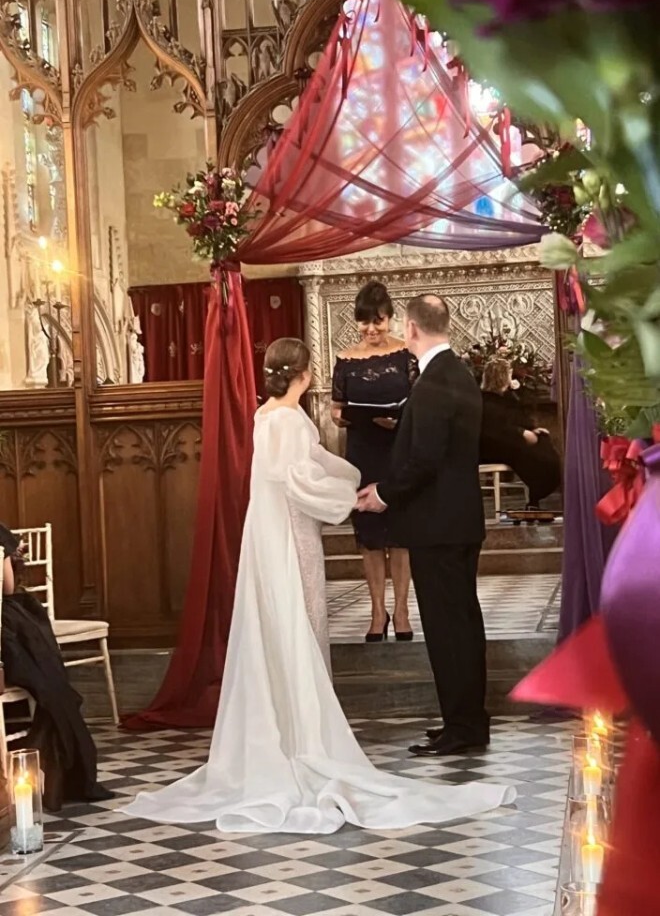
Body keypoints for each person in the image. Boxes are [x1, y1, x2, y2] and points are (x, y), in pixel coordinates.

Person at [122, 338, 514, 833]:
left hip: (269, 532)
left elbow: (303, 470)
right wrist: (348, 499)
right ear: (305, 376)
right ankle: (303, 736)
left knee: (283, 627)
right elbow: (299, 481)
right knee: (300, 622)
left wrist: (348, 482)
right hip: (289, 533)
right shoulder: (286, 420)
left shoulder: (266, 416)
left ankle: (285, 726)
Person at [358, 296, 490, 757]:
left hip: (438, 525)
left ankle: (463, 727)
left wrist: (383, 494)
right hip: (456, 521)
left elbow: (424, 459)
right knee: (462, 624)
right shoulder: (458, 373)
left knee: (449, 628)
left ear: (411, 328)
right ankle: (467, 721)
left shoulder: (435, 381)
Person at [0, 522, 113, 810]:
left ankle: (47, 749)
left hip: (11, 629)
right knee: (49, 679)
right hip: (8, 629)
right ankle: (58, 762)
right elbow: (9, 587)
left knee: (49, 681)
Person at [331, 281, 415, 641]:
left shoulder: (407, 355)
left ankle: (401, 610)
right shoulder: (345, 359)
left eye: (378, 322)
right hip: (363, 452)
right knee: (370, 539)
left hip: (399, 451)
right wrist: (341, 417)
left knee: (399, 536)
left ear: (391, 319)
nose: (372, 330)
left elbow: (422, 404)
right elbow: (335, 409)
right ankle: (377, 611)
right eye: (365, 323)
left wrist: (401, 419)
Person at [480, 358, 561, 510]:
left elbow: (516, 418)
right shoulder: (485, 400)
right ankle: (535, 497)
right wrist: (521, 433)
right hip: (493, 446)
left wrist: (530, 430)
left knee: (543, 441)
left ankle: (536, 497)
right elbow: (494, 429)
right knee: (532, 455)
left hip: (509, 440)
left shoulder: (507, 397)